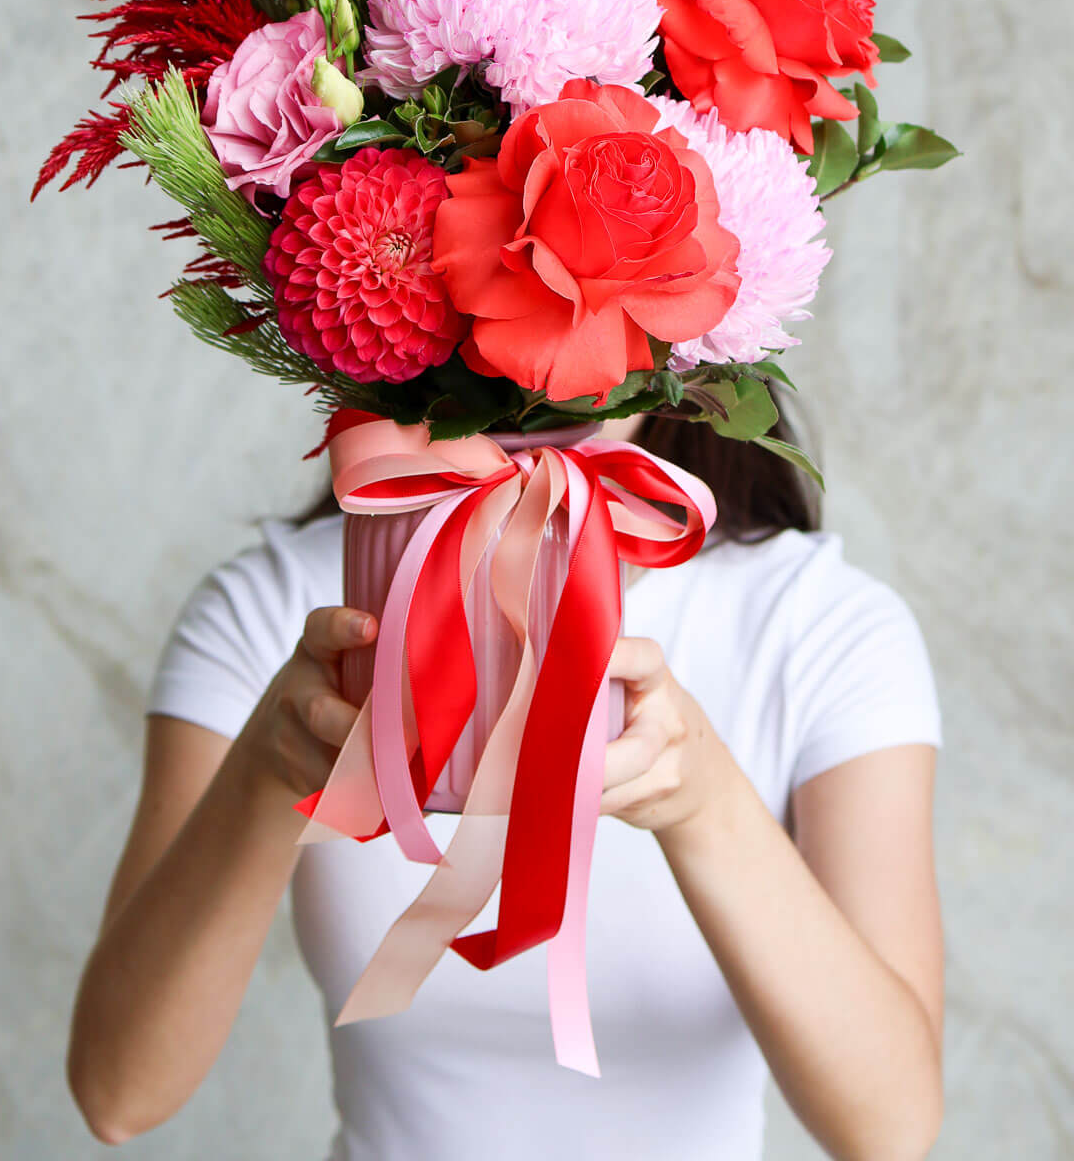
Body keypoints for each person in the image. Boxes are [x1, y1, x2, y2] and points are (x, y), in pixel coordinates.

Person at [66, 397, 945, 1159]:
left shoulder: (823, 629)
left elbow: (891, 1131)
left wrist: (703, 802)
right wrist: (267, 773)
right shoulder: (277, 608)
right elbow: (118, 1095)